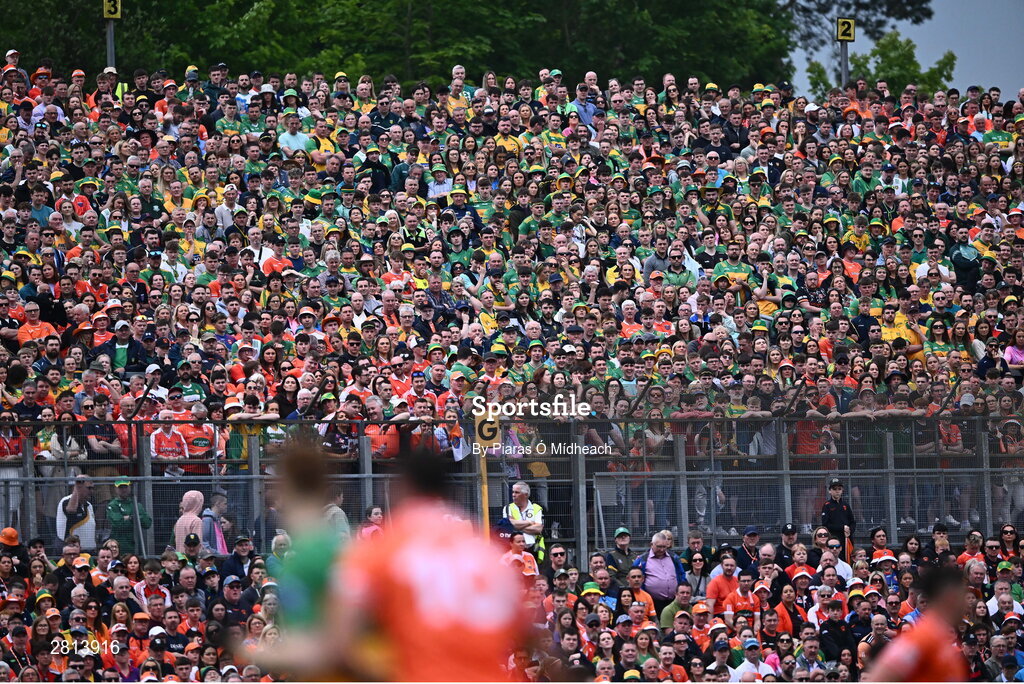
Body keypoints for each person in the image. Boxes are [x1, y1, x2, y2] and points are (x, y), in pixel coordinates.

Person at [328, 448, 522, 680]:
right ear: (449, 490)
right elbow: (522, 628)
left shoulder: (386, 547)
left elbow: (340, 633)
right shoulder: (487, 552)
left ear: (403, 488)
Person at [867, 566, 969, 681]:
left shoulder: (942, 637)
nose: (965, 604)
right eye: (961, 597)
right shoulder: (920, 639)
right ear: (949, 598)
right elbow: (879, 678)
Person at [105, 478, 151, 555]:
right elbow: (117, 523)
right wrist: (133, 518)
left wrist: (129, 518)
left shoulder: (136, 504)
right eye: (121, 487)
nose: (123, 490)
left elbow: (147, 523)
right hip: (119, 546)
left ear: (130, 487)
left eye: (125, 487)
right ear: (116, 489)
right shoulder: (113, 505)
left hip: (135, 546)